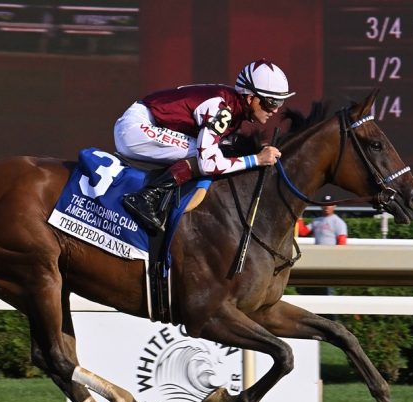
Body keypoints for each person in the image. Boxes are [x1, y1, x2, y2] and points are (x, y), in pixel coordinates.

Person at [114, 58, 296, 231]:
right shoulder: (222, 109)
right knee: (207, 156)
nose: (276, 110)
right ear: (250, 98)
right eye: (271, 102)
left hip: (146, 123)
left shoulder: (232, 107)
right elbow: (208, 164)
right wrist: (256, 159)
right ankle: (146, 197)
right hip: (137, 127)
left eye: (280, 102)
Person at [296, 196, 346, 318]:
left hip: (330, 264)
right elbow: (303, 232)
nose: (326, 206)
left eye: (329, 204)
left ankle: (333, 321)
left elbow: (342, 243)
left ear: (334, 206)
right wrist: (299, 216)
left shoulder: (338, 222)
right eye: (324, 204)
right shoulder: (316, 221)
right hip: (317, 263)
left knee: (328, 293)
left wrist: (337, 262)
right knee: (314, 292)